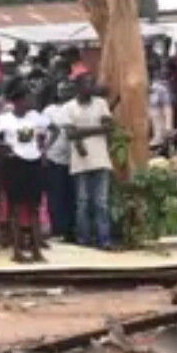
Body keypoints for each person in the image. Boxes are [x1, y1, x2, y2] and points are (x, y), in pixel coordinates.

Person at [0, 82, 48, 265]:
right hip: (15, 163)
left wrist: (44, 147)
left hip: (34, 162)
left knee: (34, 207)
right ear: (19, 100)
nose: (31, 100)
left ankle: (36, 251)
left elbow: (55, 129)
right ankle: (17, 251)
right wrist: (3, 146)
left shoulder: (35, 116)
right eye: (28, 97)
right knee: (15, 208)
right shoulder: (5, 119)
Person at [63, 75, 115, 249]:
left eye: (92, 83)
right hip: (80, 161)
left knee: (101, 203)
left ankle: (104, 240)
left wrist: (81, 131)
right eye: (87, 83)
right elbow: (70, 134)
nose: (91, 87)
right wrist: (97, 129)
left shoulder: (101, 103)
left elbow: (109, 127)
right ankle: (83, 240)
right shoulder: (68, 107)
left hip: (101, 158)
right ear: (78, 86)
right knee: (82, 202)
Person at [40, 82, 76, 243]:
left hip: (75, 159)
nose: (65, 92)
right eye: (62, 90)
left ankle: (70, 231)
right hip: (54, 157)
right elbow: (41, 133)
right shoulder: (49, 111)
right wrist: (43, 152)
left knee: (71, 196)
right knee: (55, 195)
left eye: (68, 89)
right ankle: (57, 229)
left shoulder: (75, 108)